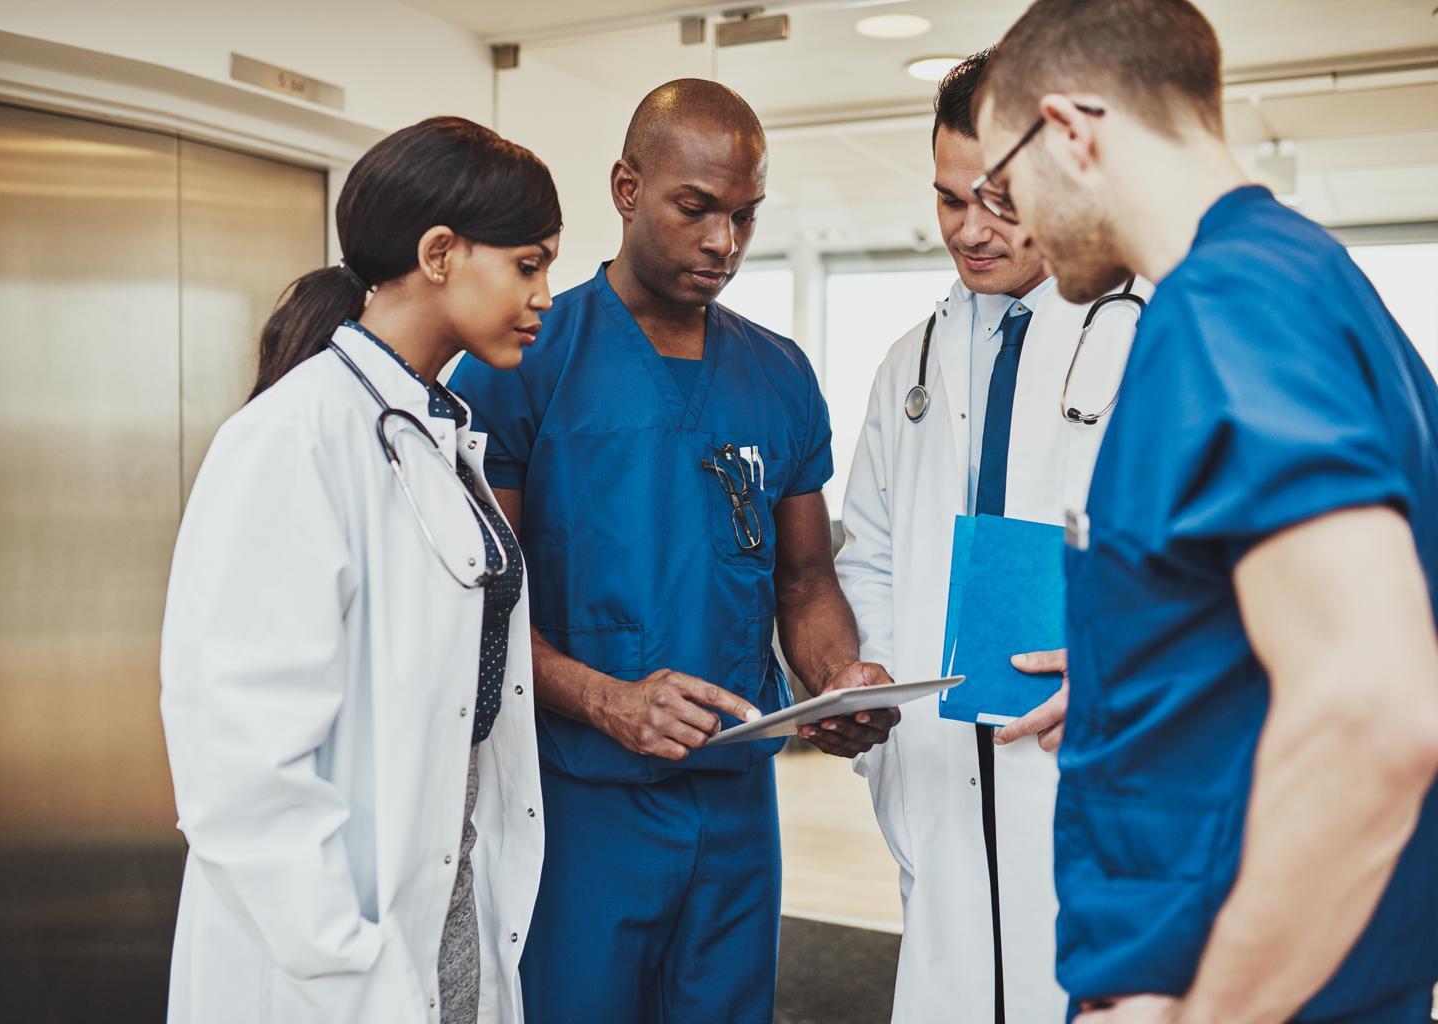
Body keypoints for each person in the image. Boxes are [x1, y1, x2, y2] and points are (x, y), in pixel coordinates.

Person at [972, 1, 1438, 1021]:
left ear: (1070, 131)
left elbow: (1376, 712)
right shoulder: (1313, 284)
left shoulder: (1231, 311)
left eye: (1005, 188)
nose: (1015, 226)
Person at [448, 78, 898, 1024]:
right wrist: (606, 699)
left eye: (744, 215)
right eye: (695, 208)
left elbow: (805, 581)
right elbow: (477, 610)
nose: (723, 243)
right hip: (582, 799)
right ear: (626, 187)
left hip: (736, 803)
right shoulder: (528, 360)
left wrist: (834, 681)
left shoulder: (777, 372)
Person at [159, 116, 561, 1024]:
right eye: (528, 265)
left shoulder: (433, 433)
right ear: (441, 253)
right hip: (328, 948)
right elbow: (240, 764)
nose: (545, 294)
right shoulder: (292, 437)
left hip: (443, 898)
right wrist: (350, 965)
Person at [836, 49, 1148, 1024]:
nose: (969, 230)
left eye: (999, 201)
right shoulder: (912, 361)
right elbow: (871, 551)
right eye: (947, 199)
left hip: (1096, 774)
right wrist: (875, 670)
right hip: (939, 780)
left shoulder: (1149, 333)